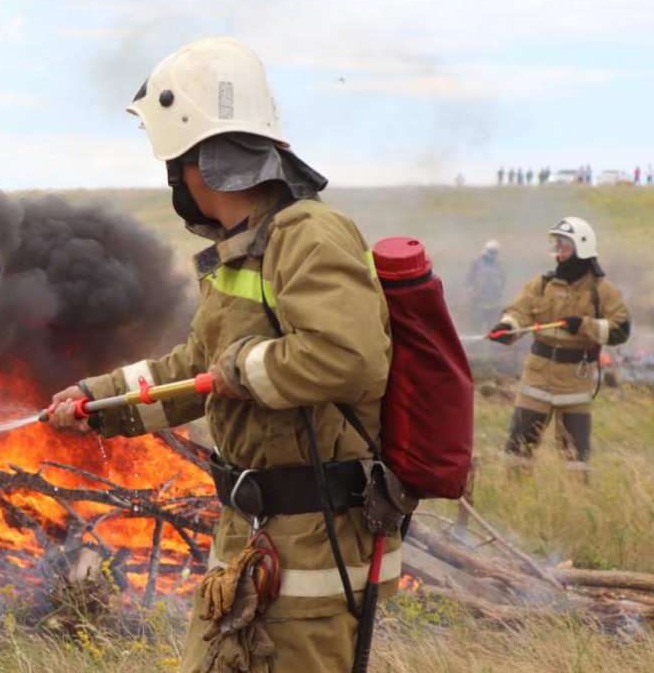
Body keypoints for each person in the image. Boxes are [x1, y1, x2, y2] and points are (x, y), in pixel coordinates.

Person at [47, 37, 399, 673]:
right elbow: (198, 367)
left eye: (177, 161)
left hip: (313, 551)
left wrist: (244, 369)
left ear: (203, 163)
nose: (174, 178)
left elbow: (350, 359)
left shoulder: (308, 235)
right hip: (252, 538)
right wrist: (101, 400)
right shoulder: (243, 249)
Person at [490, 217, 630, 476]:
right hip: (536, 378)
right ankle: (514, 499)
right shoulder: (542, 285)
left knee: (575, 459)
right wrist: (506, 327)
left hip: (575, 382)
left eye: (565, 245)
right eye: (557, 244)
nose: (558, 251)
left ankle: (573, 503)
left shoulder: (604, 291)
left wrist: (584, 325)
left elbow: (621, 329)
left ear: (582, 247)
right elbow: (519, 312)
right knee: (517, 451)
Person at [463, 240, 506, 331]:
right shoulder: (476, 264)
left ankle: (492, 345)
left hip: (494, 304)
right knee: (474, 328)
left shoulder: (498, 266)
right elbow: (468, 281)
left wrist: (498, 292)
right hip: (477, 303)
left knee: (493, 328)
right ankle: (475, 345)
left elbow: (503, 281)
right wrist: (472, 293)